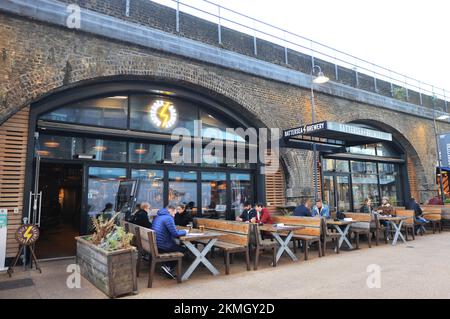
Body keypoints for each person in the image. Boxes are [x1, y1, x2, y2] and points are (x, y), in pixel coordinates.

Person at [152, 205, 188, 279]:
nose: (174, 215)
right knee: (183, 249)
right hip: (163, 245)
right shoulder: (168, 218)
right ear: (171, 210)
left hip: (156, 244)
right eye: (174, 213)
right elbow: (175, 234)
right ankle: (168, 267)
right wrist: (185, 231)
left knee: (177, 245)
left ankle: (166, 265)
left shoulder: (158, 216)